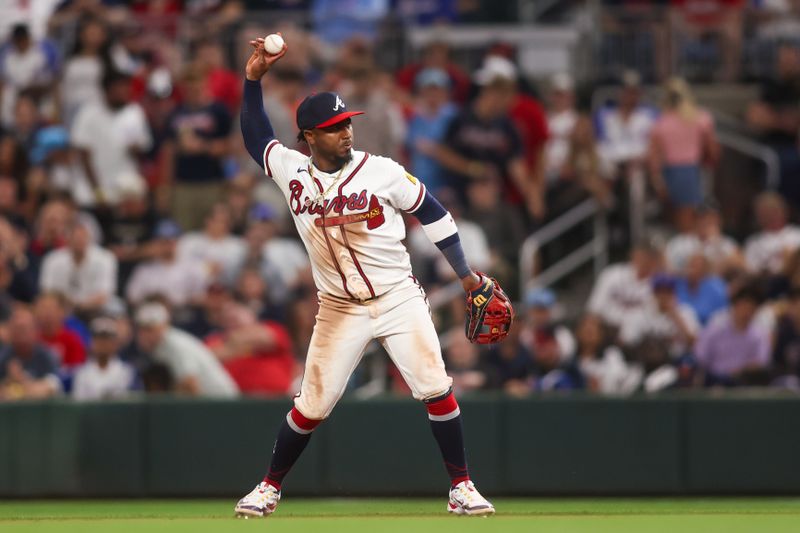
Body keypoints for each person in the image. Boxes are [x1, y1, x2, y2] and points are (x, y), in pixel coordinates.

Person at [234, 35, 508, 517]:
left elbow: (435, 213)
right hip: (338, 307)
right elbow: (257, 137)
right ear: (310, 137)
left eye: (347, 124)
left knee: (435, 386)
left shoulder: (380, 170)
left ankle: (462, 487)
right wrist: (253, 79)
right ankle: (268, 487)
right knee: (312, 404)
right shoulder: (293, 171)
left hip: (398, 296)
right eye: (334, 128)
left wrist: (465, 275)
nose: (346, 133)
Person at [70, 69, 152, 208]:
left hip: (125, 192)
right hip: (92, 192)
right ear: (107, 89)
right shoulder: (88, 113)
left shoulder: (134, 112)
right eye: (121, 87)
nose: (126, 91)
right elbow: (84, 155)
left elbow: (143, 150)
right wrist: (98, 191)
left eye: (127, 86)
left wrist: (135, 148)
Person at [134, 301, 238, 398]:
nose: (146, 334)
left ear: (164, 325)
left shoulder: (175, 344)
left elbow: (190, 384)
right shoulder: (158, 347)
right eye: (143, 329)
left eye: (150, 329)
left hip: (223, 402)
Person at [39, 215, 117, 318]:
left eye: (83, 236)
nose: (79, 240)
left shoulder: (105, 258)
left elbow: (104, 296)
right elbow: (47, 292)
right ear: (67, 238)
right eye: (75, 236)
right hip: (61, 313)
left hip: (97, 312)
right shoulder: (52, 260)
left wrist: (78, 305)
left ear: (90, 237)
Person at [695, 285, 772, 386]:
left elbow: (761, 363)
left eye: (751, 308)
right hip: (715, 382)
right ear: (735, 306)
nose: (747, 312)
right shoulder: (715, 329)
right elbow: (700, 356)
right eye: (743, 306)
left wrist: (740, 371)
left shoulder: (760, 335)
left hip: (745, 384)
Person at [0, 305, 62, 400]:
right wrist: (8, 381)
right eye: (16, 329)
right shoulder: (3, 356)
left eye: (23, 329)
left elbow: (52, 387)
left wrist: (22, 381)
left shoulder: (46, 355)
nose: (20, 334)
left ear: (34, 330)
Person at [72, 316, 136, 400]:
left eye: (107, 339)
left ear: (115, 343)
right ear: (92, 343)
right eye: (99, 339)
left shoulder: (127, 371)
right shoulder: (82, 373)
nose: (103, 344)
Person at [744, 192, 800, 276]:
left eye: (774, 210)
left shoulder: (796, 235)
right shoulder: (753, 242)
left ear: (784, 211)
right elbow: (749, 269)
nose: (771, 216)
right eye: (766, 212)